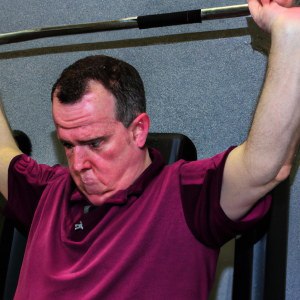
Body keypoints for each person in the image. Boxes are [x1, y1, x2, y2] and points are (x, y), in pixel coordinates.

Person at [0, 0, 299, 298]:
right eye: (67, 145)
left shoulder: (187, 197)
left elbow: (265, 166)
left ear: (138, 130)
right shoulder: (47, 192)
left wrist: (288, 33)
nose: (78, 164)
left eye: (94, 143)